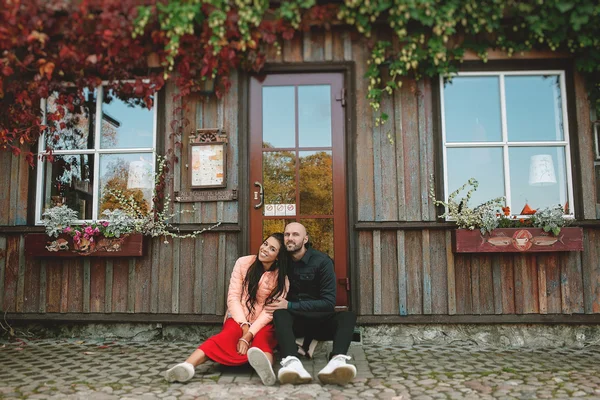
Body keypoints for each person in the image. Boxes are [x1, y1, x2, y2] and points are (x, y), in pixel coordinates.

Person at [165, 233, 289, 386]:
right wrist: (244, 328)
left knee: (262, 339)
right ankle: (187, 366)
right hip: (238, 316)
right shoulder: (243, 263)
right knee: (227, 335)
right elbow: (233, 297)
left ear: (278, 256)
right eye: (265, 244)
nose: (264, 249)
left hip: (262, 322)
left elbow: (269, 311)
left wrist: (248, 336)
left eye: (272, 249)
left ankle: (266, 370)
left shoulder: (282, 279)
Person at [266, 222, 357, 386]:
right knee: (280, 313)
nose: (290, 238)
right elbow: (260, 263)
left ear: (305, 239)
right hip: (295, 324)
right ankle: (292, 363)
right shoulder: (282, 261)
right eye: (287, 235)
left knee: (348, 316)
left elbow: (328, 303)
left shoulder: (322, 262)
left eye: (295, 235)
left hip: (320, 322)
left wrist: (291, 306)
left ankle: (337, 361)